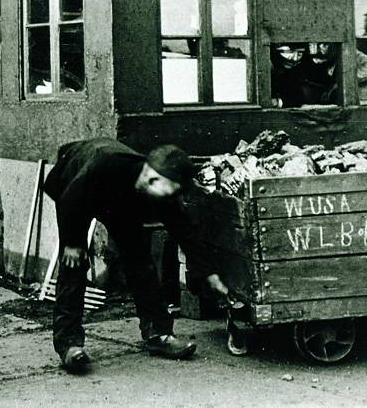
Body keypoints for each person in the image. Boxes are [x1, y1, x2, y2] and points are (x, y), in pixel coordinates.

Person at [43, 137, 228, 373]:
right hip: (75, 188)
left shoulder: (161, 193)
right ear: (149, 174)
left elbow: (185, 233)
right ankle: (69, 345)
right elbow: (70, 198)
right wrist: (72, 242)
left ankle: (159, 334)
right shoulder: (104, 164)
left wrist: (209, 273)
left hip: (120, 201)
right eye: (160, 187)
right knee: (74, 264)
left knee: (140, 260)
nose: (167, 197)